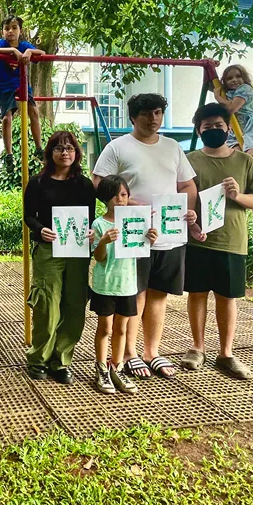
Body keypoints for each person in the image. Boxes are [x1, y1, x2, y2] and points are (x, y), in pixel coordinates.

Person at [92, 93, 199, 380]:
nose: (154, 119)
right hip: (133, 235)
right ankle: (129, 352)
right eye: (147, 114)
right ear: (133, 117)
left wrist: (188, 213)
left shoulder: (173, 147)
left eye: (158, 113)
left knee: (159, 294)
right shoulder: (117, 148)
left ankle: (152, 351)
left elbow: (187, 184)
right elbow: (100, 184)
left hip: (169, 234)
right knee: (134, 293)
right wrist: (131, 205)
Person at [179, 104, 253, 380]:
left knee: (228, 299)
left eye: (218, 126)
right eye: (207, 127)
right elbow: (178, 195)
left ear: (228, 128)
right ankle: (197, 348)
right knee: (198, 294)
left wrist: (238, 196)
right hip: (197, 239)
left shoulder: (245, 162)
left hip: (232, 241)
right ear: (198, 130)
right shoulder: (188, 160)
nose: (213, 131)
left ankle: (226, 353)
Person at [23, 131, 96, 384]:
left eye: (69, 148)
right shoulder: (38, 182)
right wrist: (39, 229)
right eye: (58, 148)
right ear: (50, 153)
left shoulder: (85, 185)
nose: (64, 153)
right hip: (48, 251)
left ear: (76, 153)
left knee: (74, 305)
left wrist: (90, 231)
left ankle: (62, 360)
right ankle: (38, 359)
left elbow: (91, 218)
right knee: (46, 305)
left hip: (77, 252)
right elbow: (28, 215)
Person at [90, 175, 157, 396]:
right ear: (106, 198)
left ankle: (116, 367)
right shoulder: (99, 224)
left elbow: (139, 252)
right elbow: (98, 258)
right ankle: (101, 369)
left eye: (124, 195)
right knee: (106, 328)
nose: (121, 199)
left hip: (129, 285)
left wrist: (149, 239)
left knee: (121, 329)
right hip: (105, 285)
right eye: (116, 195)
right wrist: (102, 241)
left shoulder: (135, 222)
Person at [0, 15, 45, 164]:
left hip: (21, 84)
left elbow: (42, 54)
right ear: (2, 32)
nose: (10, 31)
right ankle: (9, 154)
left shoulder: (25, 45)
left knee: (34, 111)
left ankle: (39, 148)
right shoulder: (1, 44)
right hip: (4, 84)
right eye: (7, 29)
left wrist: (29, 52)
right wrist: (12, 51)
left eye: (14, 28)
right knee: (7, 117)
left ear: (20, 31)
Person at [214, 64, 253, 205]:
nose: (234, 80)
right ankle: (246, 191)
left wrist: (217, 97)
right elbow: (211, 83)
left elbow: (233, 107)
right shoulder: (226, 93)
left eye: (238, 76)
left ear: (244, 78)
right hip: (234, 131)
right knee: (237, 158)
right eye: (229, 78)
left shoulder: (245, 89)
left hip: (249, 128)